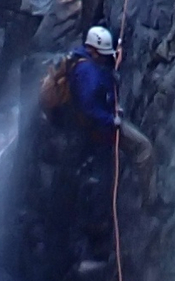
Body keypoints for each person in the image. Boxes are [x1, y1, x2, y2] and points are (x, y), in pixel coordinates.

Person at [63, 23, 154, 177]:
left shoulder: (80, 58)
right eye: (101, 53)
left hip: (91, 120)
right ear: (92, 49)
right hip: (98, 125)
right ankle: (150, 200)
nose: (104, 58)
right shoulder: (88, 72)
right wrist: (110, 120)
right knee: (144, 147)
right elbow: (89, 107)